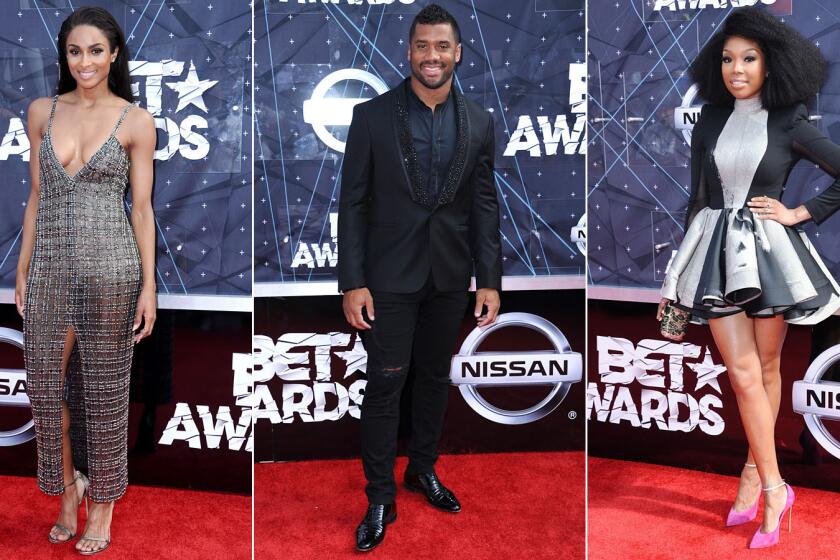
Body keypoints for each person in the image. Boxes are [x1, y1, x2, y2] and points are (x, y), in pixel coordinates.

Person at [657, 6, 840, 549]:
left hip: (768, 252)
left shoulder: (789, 119)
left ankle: (753, 475)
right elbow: (699, 198)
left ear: (770, 64)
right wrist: (678, 276)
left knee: (764, 367)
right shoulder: (709, 119)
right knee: (742, 374)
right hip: (715, 252)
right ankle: (777, 488)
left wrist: (799, 213)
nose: (737, 69)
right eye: (729, 59)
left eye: (749, 58)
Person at [338, 3, 501, 552]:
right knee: (385, 385)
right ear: (408, 52)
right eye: (422, 46)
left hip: (451, 277)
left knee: (434, 380)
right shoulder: (372, 116)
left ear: (458, 53)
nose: (432, 56)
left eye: (442, 46)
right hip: (387, 279)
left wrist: (489, 279)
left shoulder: (479, 121)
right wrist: (352, 281)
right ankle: (380, 495)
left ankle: (422, 470)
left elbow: (484, 207)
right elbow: (353, 204)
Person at [14, 6, 157, 555]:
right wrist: (23, 267)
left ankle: (103, 504)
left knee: (104, 394)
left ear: (114, 55)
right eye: (75, 51)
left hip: (111, 270)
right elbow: (36, 195)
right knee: (48, 393)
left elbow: (141, 212)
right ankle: (67, 491)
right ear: (64, 56)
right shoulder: (41, 112)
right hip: (49, 266)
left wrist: (149, 287)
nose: (85, 61)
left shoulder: (136, 120)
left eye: (96, 50)